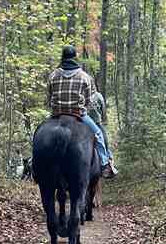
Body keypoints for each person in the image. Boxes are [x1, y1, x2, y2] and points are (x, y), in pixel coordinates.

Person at [47, 46, 117, 178]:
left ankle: (35, 166)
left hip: (56, 115)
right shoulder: (85, 76)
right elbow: (89, 101)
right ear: (74, 57)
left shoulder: (53, 75)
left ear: (63, 57)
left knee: (39, 133)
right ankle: (104, 164)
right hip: (78, 114)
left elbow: (49, 98)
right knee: (98, 134)